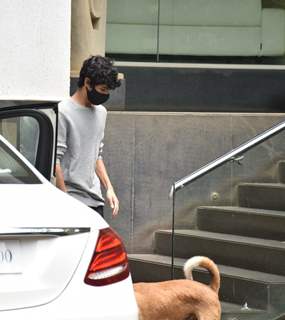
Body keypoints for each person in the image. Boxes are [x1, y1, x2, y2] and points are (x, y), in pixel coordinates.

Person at [55, 55, 120, 218]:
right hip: (72, 200)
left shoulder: (101, 113)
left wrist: (109, 188)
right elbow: (55, 162)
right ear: (87, 83)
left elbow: (96, 154)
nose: (105, 95)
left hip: (95, 201)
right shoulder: (63, 111)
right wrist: (64, 201)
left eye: (108, 91)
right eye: (103, 89)